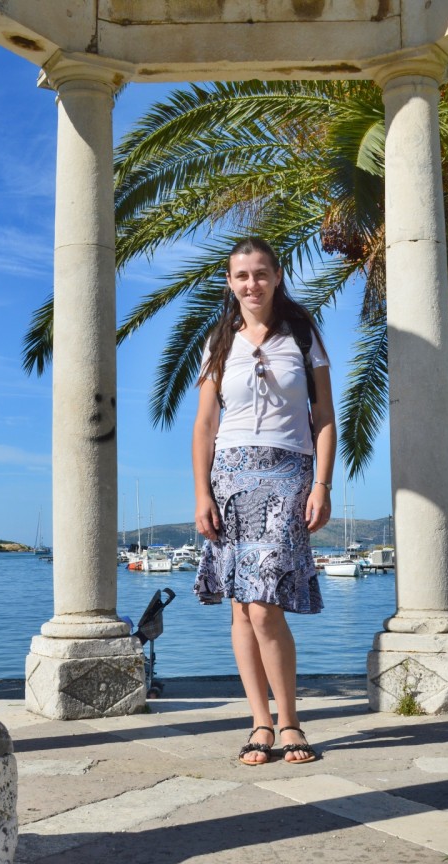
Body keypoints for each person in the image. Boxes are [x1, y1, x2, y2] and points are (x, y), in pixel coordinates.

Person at [192, 237, 336, 765]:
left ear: (277, 276)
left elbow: (325, 419)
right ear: (230, 283)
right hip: (230, 476)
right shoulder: (219, 341)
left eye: (260, 273)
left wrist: (322, 485)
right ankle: (260, 723)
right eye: (241, 275)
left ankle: (290, 721)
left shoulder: (303, 335)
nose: (251, 284)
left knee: (264, 603)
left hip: (287, 472)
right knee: (240, 605)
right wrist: (202, 493)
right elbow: (205, 424)